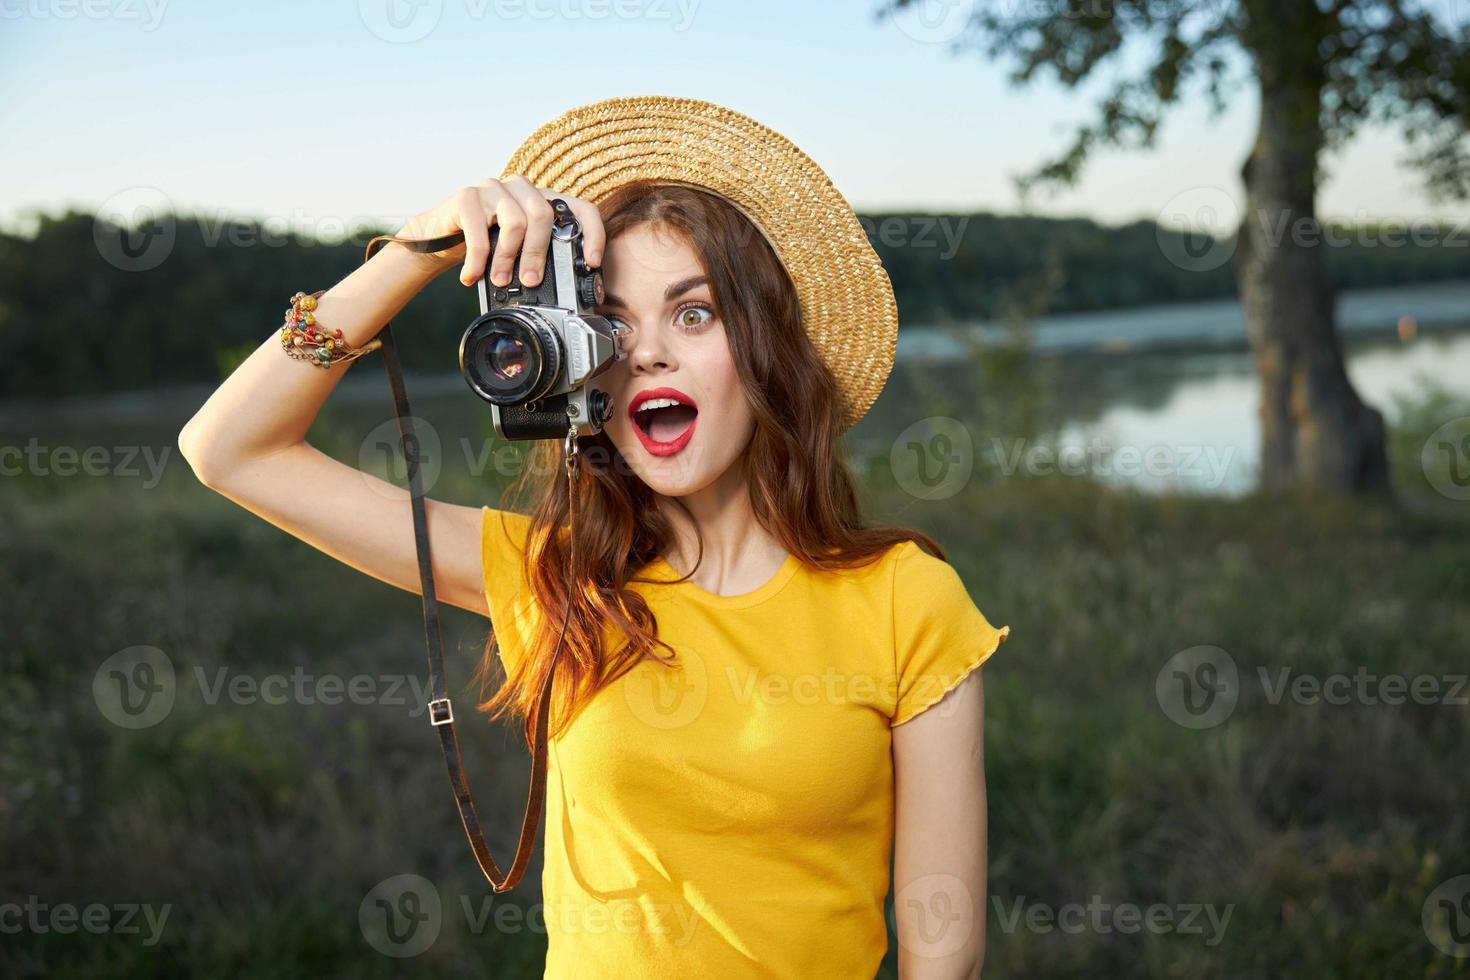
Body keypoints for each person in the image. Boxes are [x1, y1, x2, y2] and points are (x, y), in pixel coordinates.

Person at [179, 95, 1009, 979]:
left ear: (768, 351)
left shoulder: (904, 598)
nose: (645, 352)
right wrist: (416, 252)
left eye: (694, 314)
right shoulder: (551, 576)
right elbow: (230, 450)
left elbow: (940, 955)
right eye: (610, 322)